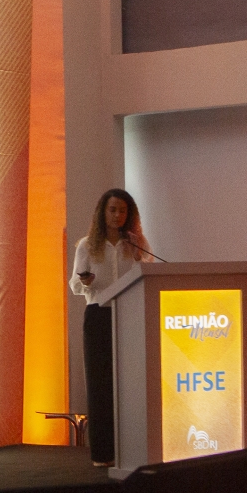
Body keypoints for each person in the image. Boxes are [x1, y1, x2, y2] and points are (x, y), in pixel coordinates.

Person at [67, 190, 154, 466]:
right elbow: (74, 285)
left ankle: (133, 450)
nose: (117, 215)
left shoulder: (136, 244)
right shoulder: (87, 245)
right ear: (103, 212)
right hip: (99, 316)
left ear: (130, 215)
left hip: (130, 316)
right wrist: (86, 282)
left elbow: (148, 273)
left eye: (123, 211)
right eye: (113, 210)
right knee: (100, 385)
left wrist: (141, 251)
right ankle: (103, 454)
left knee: (131, 384)